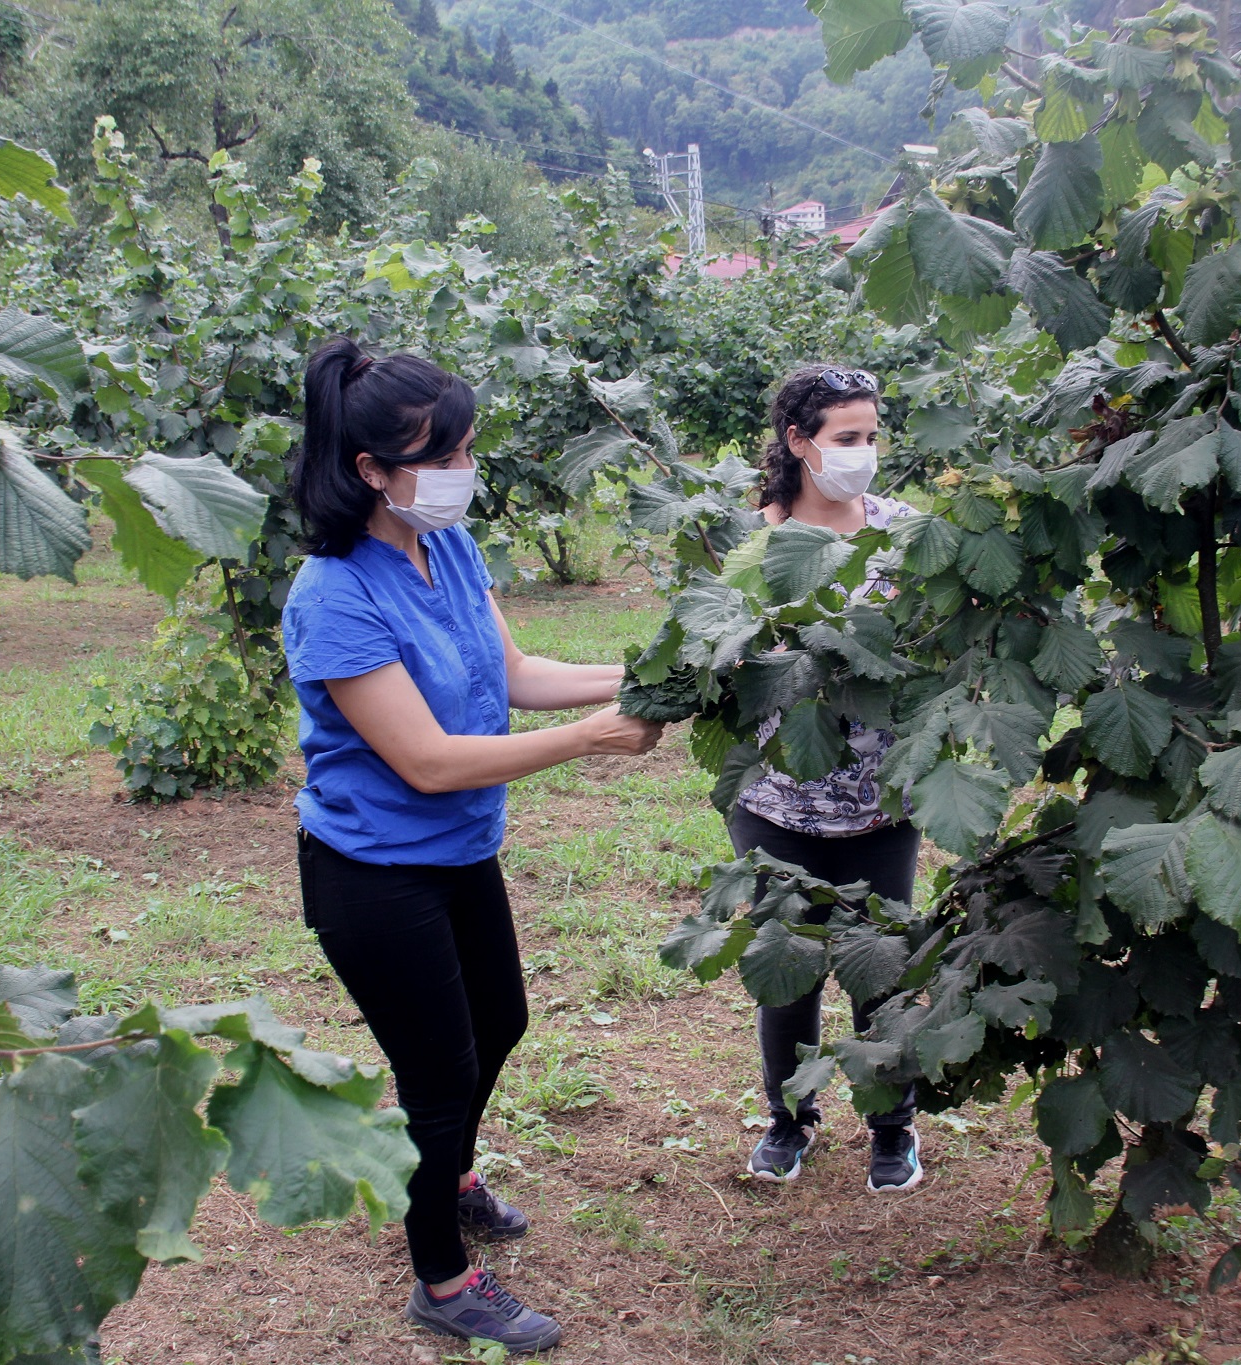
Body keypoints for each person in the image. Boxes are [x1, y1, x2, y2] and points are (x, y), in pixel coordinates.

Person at [284, 338, 663, 1354]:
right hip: (373, 874)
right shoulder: (332, 595)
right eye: (442, 455)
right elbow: (427, 761)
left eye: (465, 449)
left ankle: (448, 1176)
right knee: (438, 1073)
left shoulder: (445, 545)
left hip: (457, 854)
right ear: (370, 469)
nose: (463, 470)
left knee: (500, 1020)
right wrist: (590, 740)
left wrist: (653, 671)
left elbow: (516, 672)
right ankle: (442, 1281)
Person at [731, 363, 925, 1194]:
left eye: (872, 436)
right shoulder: (752, 540)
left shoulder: (905, 531)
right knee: (788, 968)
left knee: (880, 970)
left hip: (883, 804)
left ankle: (892, 1125)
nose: (864, 451)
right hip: (776, 803)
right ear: (799, 441)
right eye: (848, 437)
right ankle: (788, 1118)